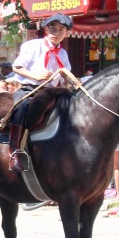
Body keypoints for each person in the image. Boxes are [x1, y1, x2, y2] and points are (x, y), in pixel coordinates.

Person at [8, 13, 73, 171]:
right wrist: (35, 76)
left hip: (54, 92)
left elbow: (66, 74)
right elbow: (16, 67)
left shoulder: (62, 53)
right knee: (21, 109)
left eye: (61, 30)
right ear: (46, 30)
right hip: (31, 89)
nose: (56, 33)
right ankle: (15, 151)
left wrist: (69, 81)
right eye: (53, 29)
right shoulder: (33, 46)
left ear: (67, 33)